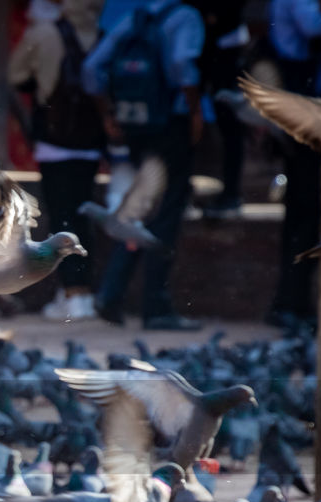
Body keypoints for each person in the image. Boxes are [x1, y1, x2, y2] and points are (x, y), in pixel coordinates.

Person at [84, 0, 206, 331]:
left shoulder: (134, 18)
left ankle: (111, 293)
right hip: (171, 125)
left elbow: (92, 69)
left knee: (140, 213)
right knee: (164, 216)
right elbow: (183, 64)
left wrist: (108, 114)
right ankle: (156, 307)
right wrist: (195, 111)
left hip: (137, 127)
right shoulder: (185, 17)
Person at [10, 0, 107, 320]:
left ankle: (72, 292)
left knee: (63, 217)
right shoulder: (106, 36)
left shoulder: (45, 33)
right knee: (83, 214)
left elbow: (16, 74)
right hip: (92, 144)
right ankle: (84, 292)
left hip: (54, 143)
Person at [267, 0, 321, 330]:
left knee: (307, 216)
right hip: (303, 119)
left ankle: (296, 302)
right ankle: (289, 303)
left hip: (308, 115)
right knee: (303, 215)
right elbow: (312, 27)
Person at [190, 0, 249, 218]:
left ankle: (231, 193)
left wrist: (212, 16)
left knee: (231, 128)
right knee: (190, 122)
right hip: (201, 55)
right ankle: (184, 190)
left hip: (226, 60)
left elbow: (228, 13)